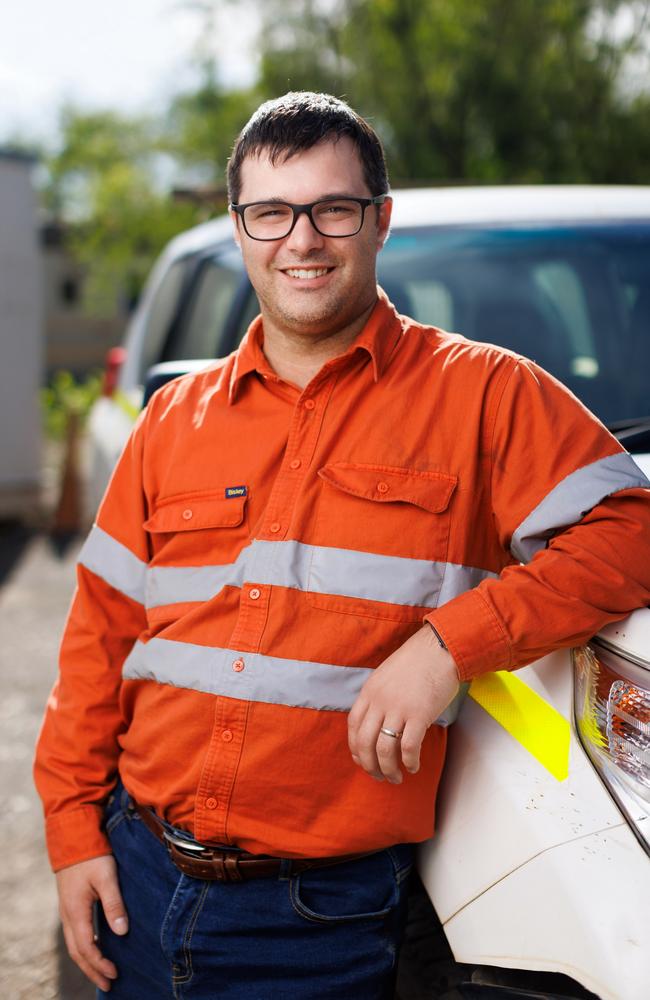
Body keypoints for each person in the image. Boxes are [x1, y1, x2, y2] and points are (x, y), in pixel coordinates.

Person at [34, 92, 650, 999]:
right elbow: (100, 636)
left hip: (318, 919)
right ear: (241, 227)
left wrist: (446, 646)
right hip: (137, 873)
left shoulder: (486, 395)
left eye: (334, 209)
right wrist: (72, 831)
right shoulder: (174, 417)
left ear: (379, 220)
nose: (302, 240)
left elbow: (632, 529)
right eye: (272, 213)